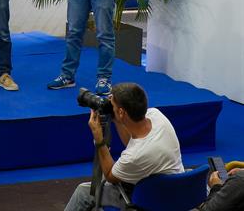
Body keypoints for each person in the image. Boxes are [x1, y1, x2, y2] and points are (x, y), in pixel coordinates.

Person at [64, 82, 183, 211]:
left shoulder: (134, 156)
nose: (110, 106)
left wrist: (99, 139)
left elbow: (110, 175)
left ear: (121, 112)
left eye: (112, 105)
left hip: (151, 200)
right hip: (176, 191)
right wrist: (117, 119)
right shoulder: (157, 116)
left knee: (83, 192)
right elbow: (130, 142)